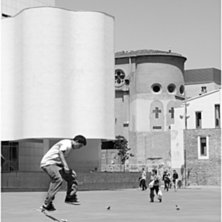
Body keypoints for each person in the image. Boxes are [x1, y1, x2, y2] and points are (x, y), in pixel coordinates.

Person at [40, 135, 87, 211]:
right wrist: (65, 166)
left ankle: (70, 197)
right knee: (58, 179)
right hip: (48, 163)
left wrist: (65, 168)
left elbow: (59, 157)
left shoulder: (69, 147)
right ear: (77, 141)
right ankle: (47, 203)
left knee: (72, 175)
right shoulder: (67, 143)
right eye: (80, 146)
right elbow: (60, 153)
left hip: (56, 164)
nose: (79, 148)